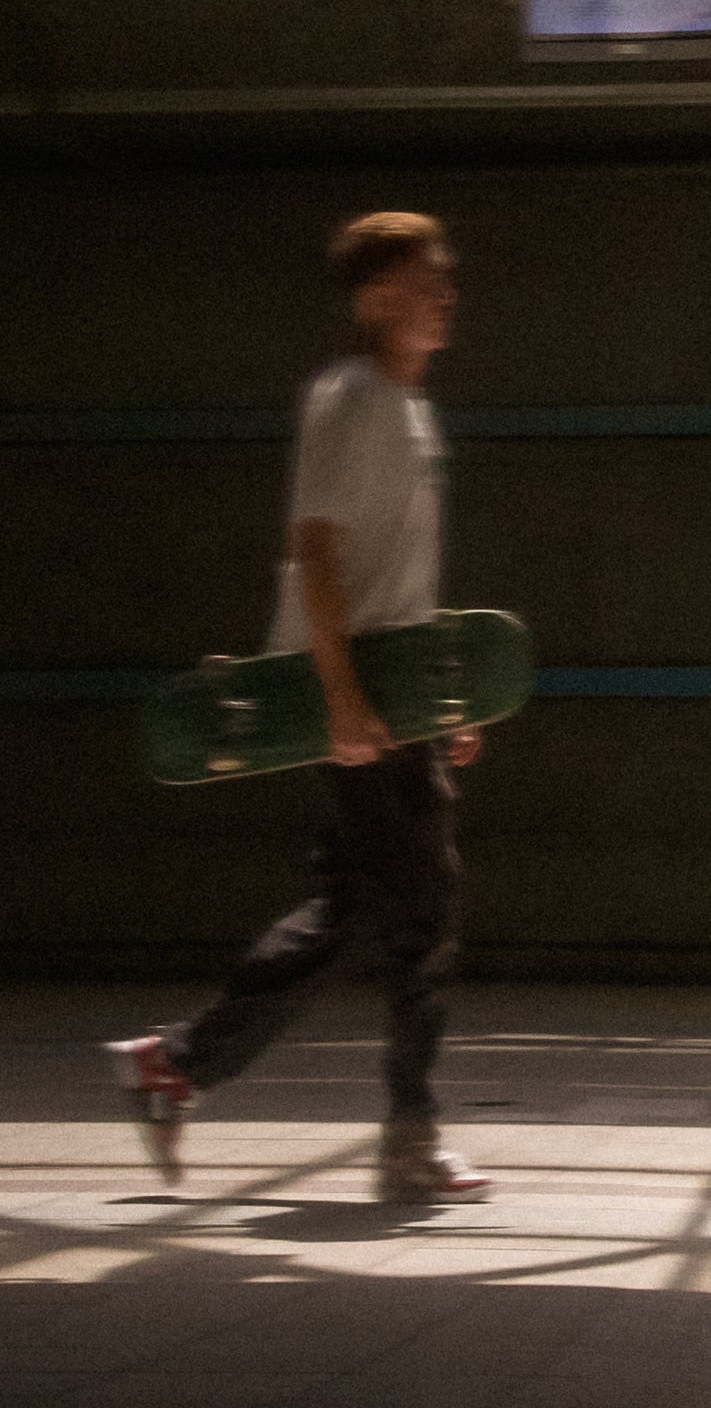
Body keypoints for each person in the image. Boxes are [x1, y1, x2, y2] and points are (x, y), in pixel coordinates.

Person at [109, 209, 489, 1206]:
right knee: (409, 909)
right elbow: (313, 552)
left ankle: (183, 1067)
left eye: (446, 280)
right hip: (350, 701)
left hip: (392, 698)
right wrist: (341, 700)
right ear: (376, 299)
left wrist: (445, 694)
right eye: (425, 281)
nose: (446, 295)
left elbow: (398, 583)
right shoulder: (348, 399)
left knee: (388, 909)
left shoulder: (411, 410)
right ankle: (383, 1127)